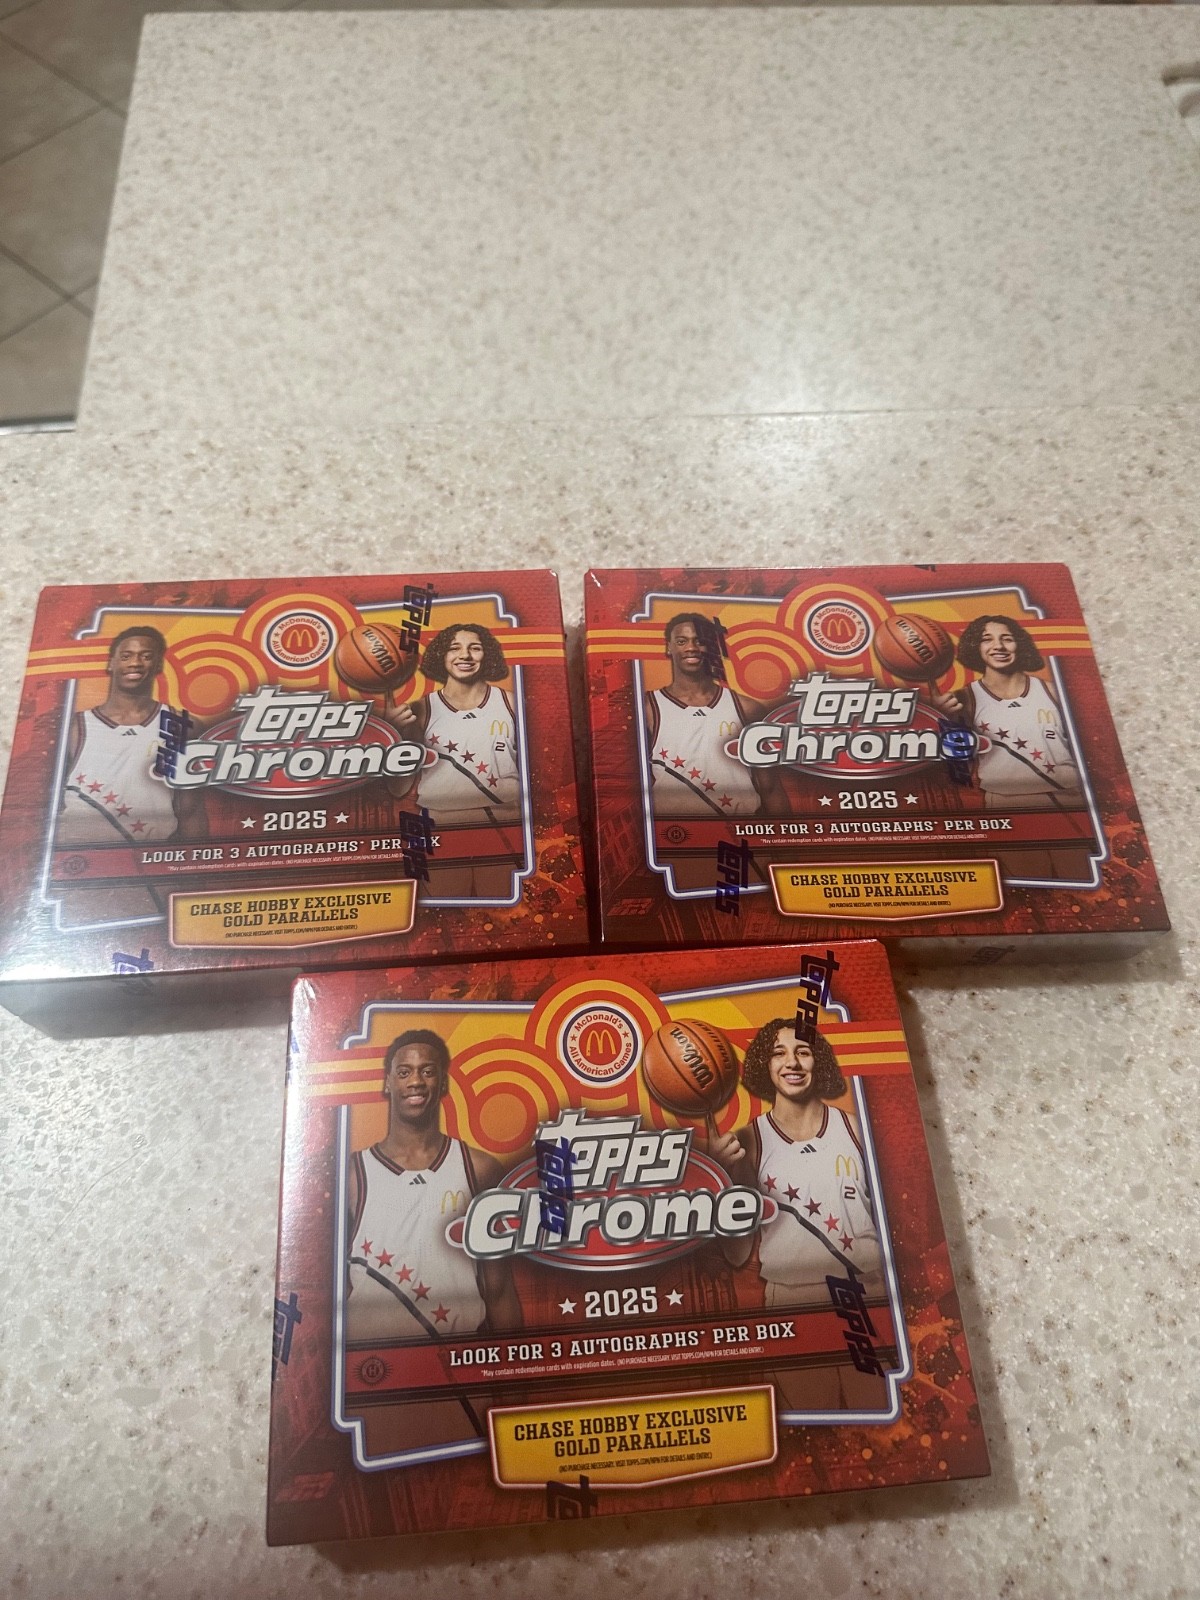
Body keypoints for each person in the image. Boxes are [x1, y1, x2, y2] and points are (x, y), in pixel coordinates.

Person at [709, 1017, 888, 1413]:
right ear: (765, 1065)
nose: (791, 1062)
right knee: (820, 1423)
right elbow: (737, 1254)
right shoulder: (747, 1141)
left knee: (876, 1416)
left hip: (863, 1291)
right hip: (792, 1299)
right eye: (779, 1053)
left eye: (802, 1051)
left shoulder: (856, 1130)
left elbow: (893, 1219)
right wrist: (722, 1184)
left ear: (817, 1061)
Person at [345, 1029, 521, 1343]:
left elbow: (499, 1289)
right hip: (373, 1358)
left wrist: (515, 1366)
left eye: (427, 1071)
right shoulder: (352, 1173)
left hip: (456, 1356)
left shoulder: (479, 1168)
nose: (416, 1081)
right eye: (404, 1072)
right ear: (387, 1083)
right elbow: (330, 1286)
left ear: (443, 1083)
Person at [385, 622, 522, 897]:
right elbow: (399, 788)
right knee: (450, 912)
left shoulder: (512, 703)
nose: (465, 655)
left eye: (475, 648)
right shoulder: (420, 709)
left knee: (503, 912)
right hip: (440, 825)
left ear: (488, 654)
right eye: (454, 648)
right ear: (441, 655)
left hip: (504, 821)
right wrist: (394, 738)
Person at [57, 626, 206, 847]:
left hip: (148, 855)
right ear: (111, 663)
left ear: (158, 665)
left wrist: (193, 862)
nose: (135, 663)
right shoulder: (73, 726)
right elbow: (46, 803)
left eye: (146, 656)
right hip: (80, 854)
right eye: (126, 656)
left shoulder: (183, 725)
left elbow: (191, 811)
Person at [930, 615, 1084, 812]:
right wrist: (939, 721)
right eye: (987, 639)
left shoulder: (1054, 692)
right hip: (1005, 801)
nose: (998, 646)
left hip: (1069, 796)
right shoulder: (963, 699)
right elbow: (956, 766)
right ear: (976, 647)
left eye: (1007, 639)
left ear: (1020, 645)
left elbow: (1087, 748)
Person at [645, 613, 781, 821]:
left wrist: (786, 839)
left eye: (700, 641)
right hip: (676, 831)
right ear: (668, 647)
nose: (691, 647)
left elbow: (770, 788)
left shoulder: (747, 708)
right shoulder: (647, 707)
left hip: (740, 828)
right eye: (681, 641)